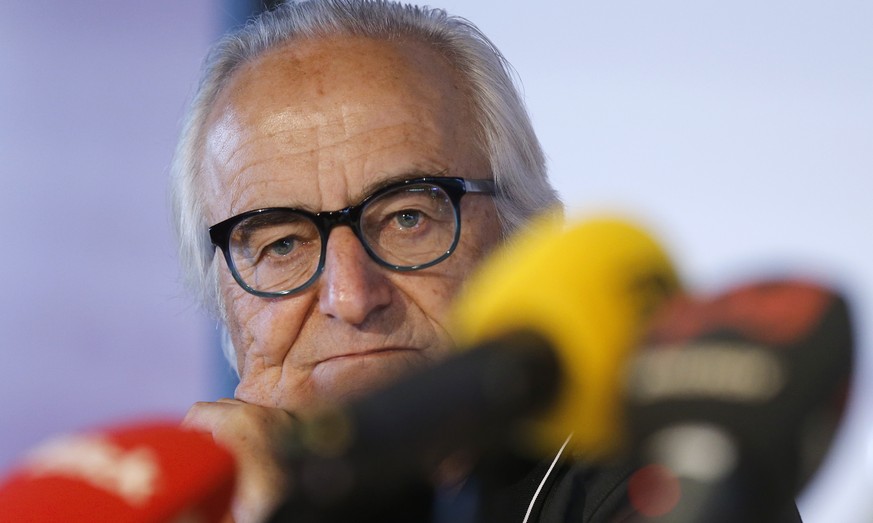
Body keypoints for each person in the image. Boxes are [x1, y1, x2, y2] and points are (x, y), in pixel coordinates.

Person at [171, 1, 803, 522]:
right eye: (281, 244)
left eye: (407, 218)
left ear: (529, 247)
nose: (352, 297)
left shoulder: (671, 488)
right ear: (223, 302)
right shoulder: (181, 501)